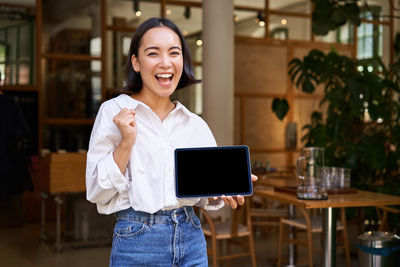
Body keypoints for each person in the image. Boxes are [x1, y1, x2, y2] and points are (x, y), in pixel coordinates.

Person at [86, 17, 257, 267]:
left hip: (191, 238)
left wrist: (220, 191)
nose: (165, 63)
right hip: (137, 241)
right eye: (153, 53)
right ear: (136, 62)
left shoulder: (194, 124)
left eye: (174, 53)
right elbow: (96, 192)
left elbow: (203, 194)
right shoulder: (114, 112)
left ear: (183, 61)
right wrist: (126, 143)